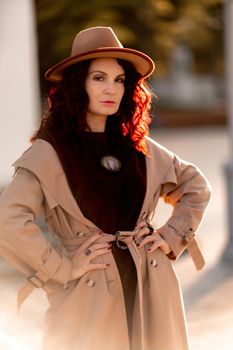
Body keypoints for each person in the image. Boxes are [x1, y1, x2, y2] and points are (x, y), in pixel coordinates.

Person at [0, 26, 211, 350]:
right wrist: (62, 266)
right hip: (87, 296)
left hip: (152, 289)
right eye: (99, 77)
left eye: (119, 79)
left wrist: (169, 236)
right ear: (77, 83)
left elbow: (195, 185)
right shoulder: (49, 151)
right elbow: (7, 220)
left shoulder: (139, 147)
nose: (111, 88)